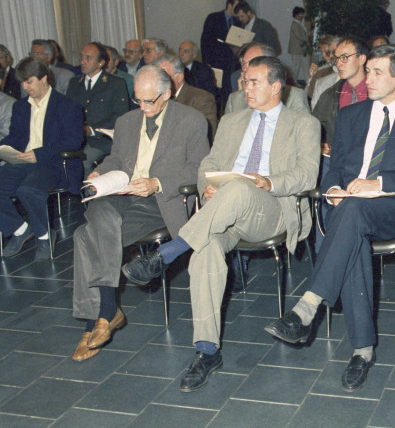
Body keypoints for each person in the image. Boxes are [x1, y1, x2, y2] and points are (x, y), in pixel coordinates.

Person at [120, 56, 320, 392]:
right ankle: (206, 351)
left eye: (254, 81)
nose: (245, 86)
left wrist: (266, 182)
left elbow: (306, 174)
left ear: (276, 87)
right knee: (207, 248)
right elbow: (207, 164)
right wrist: (207, 186)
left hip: (271, 210)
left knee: (239, 187)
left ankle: (168, 252)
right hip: (224, 210)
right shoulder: (232, 120)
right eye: (244, 79)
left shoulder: (303, 124)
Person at [265, 45, 395, 392]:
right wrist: (333, 189)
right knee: (352, 228)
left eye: (378, 72)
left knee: (353, 213)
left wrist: (377, 184)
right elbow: (334, 168)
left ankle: (308, 306)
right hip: (348, 208)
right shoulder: (352, 115)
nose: (369, 79)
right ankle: (362, 352)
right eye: (370, 71)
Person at [70, 65, 209, 362]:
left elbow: (199, 168)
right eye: (138, 100)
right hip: (124, 194)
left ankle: (98, 316)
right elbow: (117, 158)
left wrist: (156, 183)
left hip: (161, 202)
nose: (143, 107)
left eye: (150, 101)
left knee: (84, 235)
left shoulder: (191, 121)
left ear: (167, 94)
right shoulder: (126, 121)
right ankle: (107, 312)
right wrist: (100, 174)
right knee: (98, 209)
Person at [0, 57, 83, 260]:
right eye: (22, 82)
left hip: (54, 164)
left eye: (29, 81)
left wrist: (38, 154)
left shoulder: (67, 106)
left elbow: (73, 141)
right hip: (23, 163)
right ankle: (19, 230)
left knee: (28, 190)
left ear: (44, 78)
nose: (25, 86)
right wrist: (4, 149)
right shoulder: (21, 107)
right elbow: (15, 137)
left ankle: (45, 236)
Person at [65, 42, 130, 174]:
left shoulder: (115, 83)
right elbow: (67, 112)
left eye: (88, 58)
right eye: (81, 57)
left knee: (83, 161)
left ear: (100, 63)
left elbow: (120, 116)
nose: (83, 61)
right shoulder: (74, 83)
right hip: (76, 137)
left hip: (101, 140)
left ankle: (87, 193)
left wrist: (91, 130)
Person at [225, 43, 310, 115]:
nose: (244, 68)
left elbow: (303, 131)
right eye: (243, 63)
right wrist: (245, 97)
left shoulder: (294, 96)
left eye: (253, 62)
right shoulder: (234, 99)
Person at [155, 54, 218, 141]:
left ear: (179, 77)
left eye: (164, 78)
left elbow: (205, 136)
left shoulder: (201, 98)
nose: (158, 83)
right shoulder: (155, 98)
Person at [200, 0, 245, 107]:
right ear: (229, 5)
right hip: (217, 61)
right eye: (236, 5)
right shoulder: (214, 18)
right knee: (217, 93)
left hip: (233, 63)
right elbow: (205, 41)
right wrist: (207, 62)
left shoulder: (238, 21)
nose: (237, 8)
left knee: (231, 91)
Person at [288, 6, 311, 86]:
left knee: (306, 67)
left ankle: (309, 83)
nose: (302, 16)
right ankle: (293, 84)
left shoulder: (299, 24)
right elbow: (300, 36)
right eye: (301, 14)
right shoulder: (295, 24)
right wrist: (308, 38)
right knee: (296, 68)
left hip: (302, 50)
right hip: (296, 50)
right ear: (297, 15)